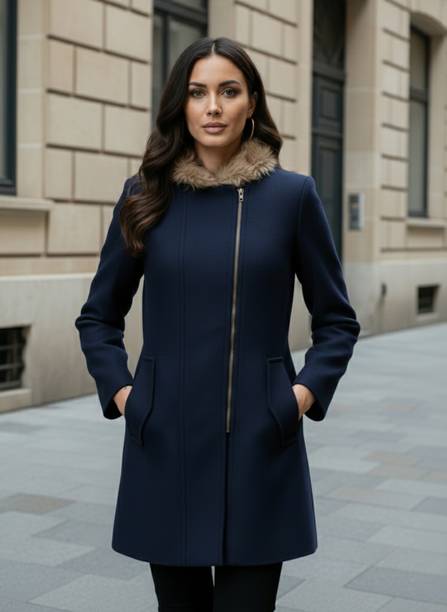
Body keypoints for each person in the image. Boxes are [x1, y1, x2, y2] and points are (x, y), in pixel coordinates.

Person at [74, 36, 361, 612]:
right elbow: (98, 316)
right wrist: (128, 396)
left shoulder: (292, 197)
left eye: (228, 91)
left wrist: (297, 396)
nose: (212, 107)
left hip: (260, 445)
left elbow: (337, 321)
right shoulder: (145, 196)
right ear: (179, 104)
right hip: (166, 444)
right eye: (197, 92)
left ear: (251, 102)